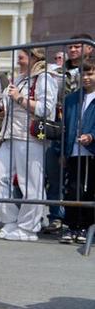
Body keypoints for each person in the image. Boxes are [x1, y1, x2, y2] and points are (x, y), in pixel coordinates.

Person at [0, 48, 58, 242]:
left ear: (33, 57)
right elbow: (9, 102)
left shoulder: (44, 78)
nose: (18, 60)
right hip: (10, 135)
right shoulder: (19, 78)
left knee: (31, 183)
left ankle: (28, 227)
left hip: (30, 137)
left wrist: (19, 98)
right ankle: (11, 220)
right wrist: (3, 107)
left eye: (21, 57)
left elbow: (45, 109)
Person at [60, 58, 95, 244]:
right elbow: (65, 126)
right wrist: (62, 152)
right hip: (73, 151)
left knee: (87, 190)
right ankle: (70, 225)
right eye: (84, 74)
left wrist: (92, 136)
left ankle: (85, 225)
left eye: (91, 73)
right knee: (72, 189)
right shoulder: (72, 98)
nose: (86, 77)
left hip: (90, 152)